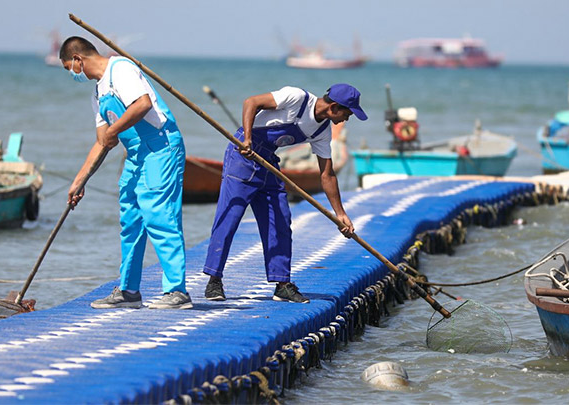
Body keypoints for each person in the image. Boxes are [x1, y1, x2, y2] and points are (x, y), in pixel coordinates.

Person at [60, 36, 192, 309]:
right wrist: (79, 182)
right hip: (135, 155)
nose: (72, 74)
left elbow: (142, 104)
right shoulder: (98, 94)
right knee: (130, 220)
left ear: (77, 59)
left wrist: (114, 130)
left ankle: (177, 291)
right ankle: (129, 291)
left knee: (160, 216)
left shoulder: (120, 69)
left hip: (161, 147)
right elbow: (103, 142)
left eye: (69, 68)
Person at [203, 84, 365, 303]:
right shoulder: (297, 98)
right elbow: (251, 102)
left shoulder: (322, 131)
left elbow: (327, 174)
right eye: (347, 113)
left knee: (280, 218)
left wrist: (340, 213)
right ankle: (214, 280)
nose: (346, 119)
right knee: (230, 217)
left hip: (268, 161)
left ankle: (281, 284)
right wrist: (247, 139)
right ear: (334, 107)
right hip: (242, 156)